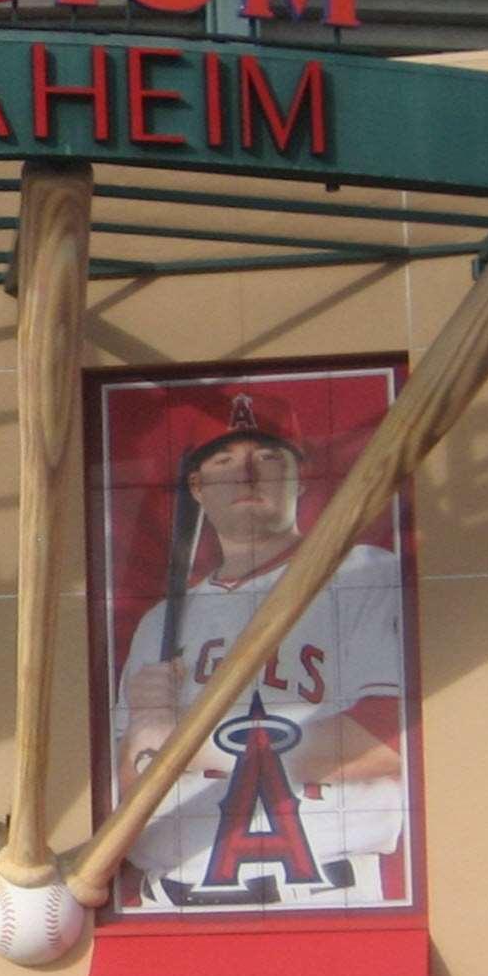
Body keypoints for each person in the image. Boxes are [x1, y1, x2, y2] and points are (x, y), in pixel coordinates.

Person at [110, 390, 412, 909]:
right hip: (176, 898)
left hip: (325, 893)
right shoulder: (162, 622)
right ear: (198, 488)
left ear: (300, 476)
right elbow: (128, 780)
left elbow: (384, 740)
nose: (246, 474)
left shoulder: (360, 574)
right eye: (224, 460)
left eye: (268, 457)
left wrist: (183, 744)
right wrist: (143, 732)